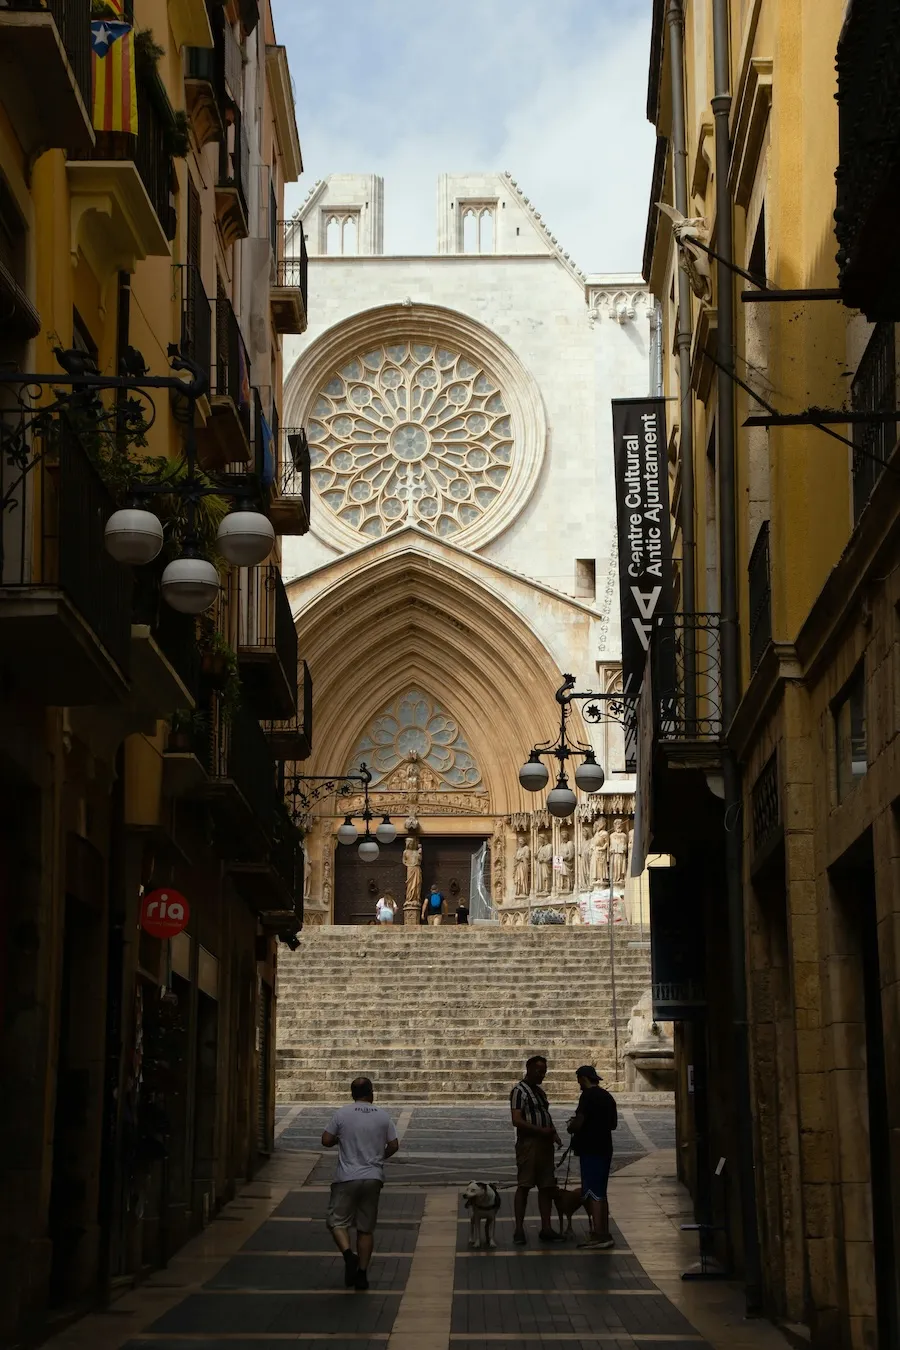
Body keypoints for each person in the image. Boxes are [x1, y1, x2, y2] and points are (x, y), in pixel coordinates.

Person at [321, 1076, 399, 1290]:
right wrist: (379, 1157)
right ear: (371, 1093)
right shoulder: (383, 1116)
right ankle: (362, 1275)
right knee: (366, 1228)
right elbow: (394, 1144)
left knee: (336, 1222)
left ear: (352, 1094)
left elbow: (326, 1140)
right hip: (373, 1177)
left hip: (347, 1176)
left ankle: (348, 1255)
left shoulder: (342, 1114)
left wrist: (340, 1139)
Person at [509, 1055, 563, 1244]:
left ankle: (546, 1227)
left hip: (545, 1144)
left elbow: (544, 1114)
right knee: (524, 1185)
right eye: (539, 1071)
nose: (542, 1075)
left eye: (545, 1072)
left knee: (546, 1186)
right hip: (529, 1144)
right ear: (529, 1069)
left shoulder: (540, 1092)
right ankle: (518, 1229)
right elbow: (516, 1119)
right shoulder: (519, 1091)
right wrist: (541, 1130)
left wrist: (554, 1135)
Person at [567, 1065, 617, 1248]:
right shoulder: (608, 1097)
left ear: (583, 1078)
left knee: (593, 1192)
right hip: (605, 1148)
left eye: (578, 1080)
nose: (578, 1084)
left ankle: (598, 1235)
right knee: (601, 1192)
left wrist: (571, 1127)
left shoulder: (587, 1096)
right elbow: (614, 1124)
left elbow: (579, 1122)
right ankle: (605, 1231)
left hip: (590, 1149)